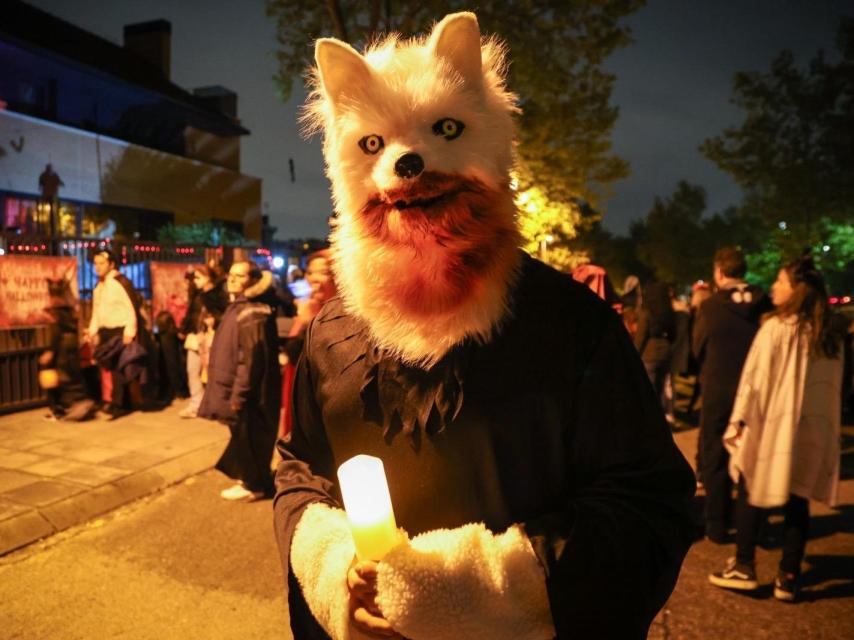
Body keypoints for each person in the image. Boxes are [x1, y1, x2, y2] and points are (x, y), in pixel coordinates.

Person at [274, 13, 695, 640]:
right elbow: (300, 469)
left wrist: (472, 594)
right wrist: (335, 571)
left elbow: (646, 501)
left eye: (445, 129)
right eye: (372, 144)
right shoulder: (330, 336)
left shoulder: (573, 327)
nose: (408, 161)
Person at [709, 255, 844, 602]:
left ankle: (743, 564)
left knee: (752, 483)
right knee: (797, 498)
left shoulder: (775, 329)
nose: (773, 287)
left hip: (772, 426)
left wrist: (740, 421)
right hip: (808, 432)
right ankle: (788, 574)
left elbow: (754, 382)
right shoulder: (829, 337)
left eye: (780, 282)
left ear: (796, 290)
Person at [692, 246, 771, 543]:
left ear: (719, 271)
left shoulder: (711, 307)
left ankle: (716, 522)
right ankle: (754, 524)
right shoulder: (765, 303)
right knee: (753, 457)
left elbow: (697, 348)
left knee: (715, 455)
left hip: (718, 389)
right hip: (755, 392)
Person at [199, 261, 281, 501]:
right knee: (244, 437)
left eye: (240, 276)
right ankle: (252, 480)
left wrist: (238, 395)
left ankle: (254, 485)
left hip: (246, 393)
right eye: (230, 274)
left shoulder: (251, 312)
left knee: (249, 437)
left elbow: (249, 361)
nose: (232, 279)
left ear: (253, 280)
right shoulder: (241, 306)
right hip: (239, 389)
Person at [280, 249, 336, 438]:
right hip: (299, 392)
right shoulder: (308, 308)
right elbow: (295, 358)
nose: (314, 278)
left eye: (324, 272)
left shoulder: (343, 313)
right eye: (310, 272)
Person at [87, 249, 148, 419]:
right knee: (110, 367)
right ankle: (118, 401)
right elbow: (96, 311)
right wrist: (93, 330)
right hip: (106, 330)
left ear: (111, 264)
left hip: (119, 330)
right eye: (96, 263)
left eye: (101, 263)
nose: (97, 267)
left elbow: (130, 307)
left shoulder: (119, 282)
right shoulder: (99, 286)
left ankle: (119, 403)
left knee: (119, 368)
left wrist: (129, 330)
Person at [40, 277, 93, 421]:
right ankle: (74, 405)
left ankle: (60, 410)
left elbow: (56, 331)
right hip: (70, 348)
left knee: (58, 380)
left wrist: (51, 350)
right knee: (70, 377)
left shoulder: (55, 308)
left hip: (61, 348)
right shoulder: (69, 308)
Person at [180, 264, 226, 418]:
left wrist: (215, 320)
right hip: (195, 337)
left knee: (211, 373)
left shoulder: (219, 295)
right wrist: (184, 329)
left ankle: (213, 405)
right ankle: (196, 405)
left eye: (199, 277)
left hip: (212, 339)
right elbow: (191, 314)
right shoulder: (197, 295)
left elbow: (225, 316)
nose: (195, 281)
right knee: (192, 371)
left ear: (209, 278)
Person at [635, 281, 676, 421]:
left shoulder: (646, 313)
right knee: (659, 391)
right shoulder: (668, 313)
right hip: (665, 354)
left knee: (648, 392)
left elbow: (641, 336)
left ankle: (649, 422)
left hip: (649, 355)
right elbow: (673, 334)